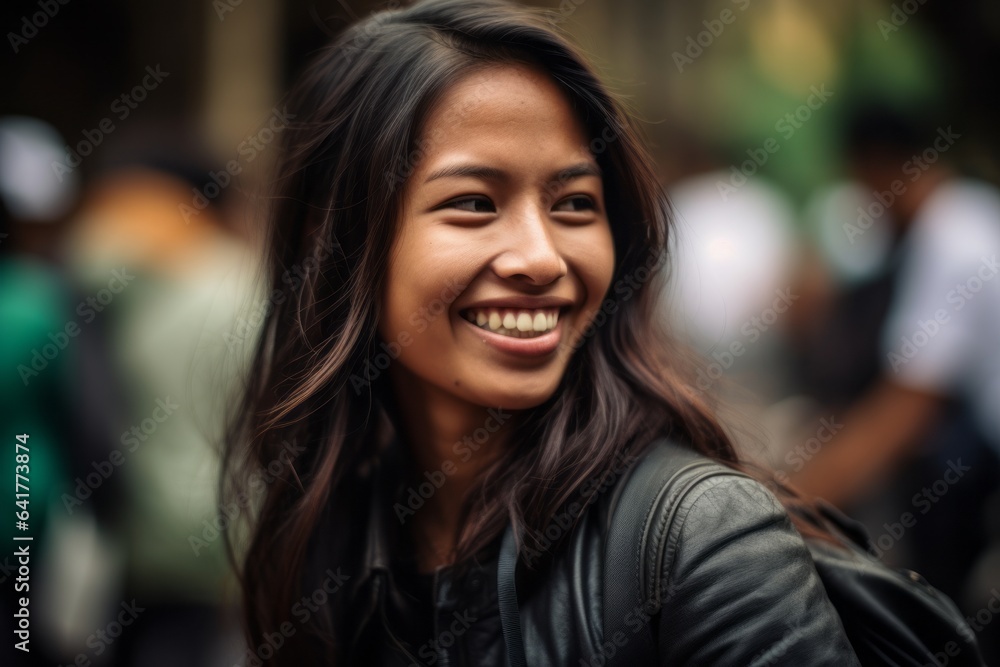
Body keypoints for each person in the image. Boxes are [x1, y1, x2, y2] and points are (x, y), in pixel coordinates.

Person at [220, 1, 862, 664]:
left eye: (574, 204)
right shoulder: (333, 534)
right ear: (332, 240)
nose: (542, 257)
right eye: (474, 202)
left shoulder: (702, 539)